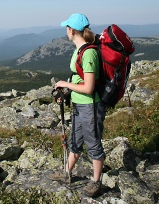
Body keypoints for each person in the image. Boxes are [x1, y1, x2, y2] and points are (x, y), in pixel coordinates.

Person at [48, 13, 106, 197]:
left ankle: (96, 182)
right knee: (75, 141)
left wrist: (65, 85)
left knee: (93, 143)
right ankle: (67, 173)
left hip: (90, 106)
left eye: (67, 27)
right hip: (79, 105)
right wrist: (66, 93)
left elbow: (88, 87)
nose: (66, 30)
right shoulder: (79, 50)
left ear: (72, 30)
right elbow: (78, 79)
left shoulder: (89, 53)